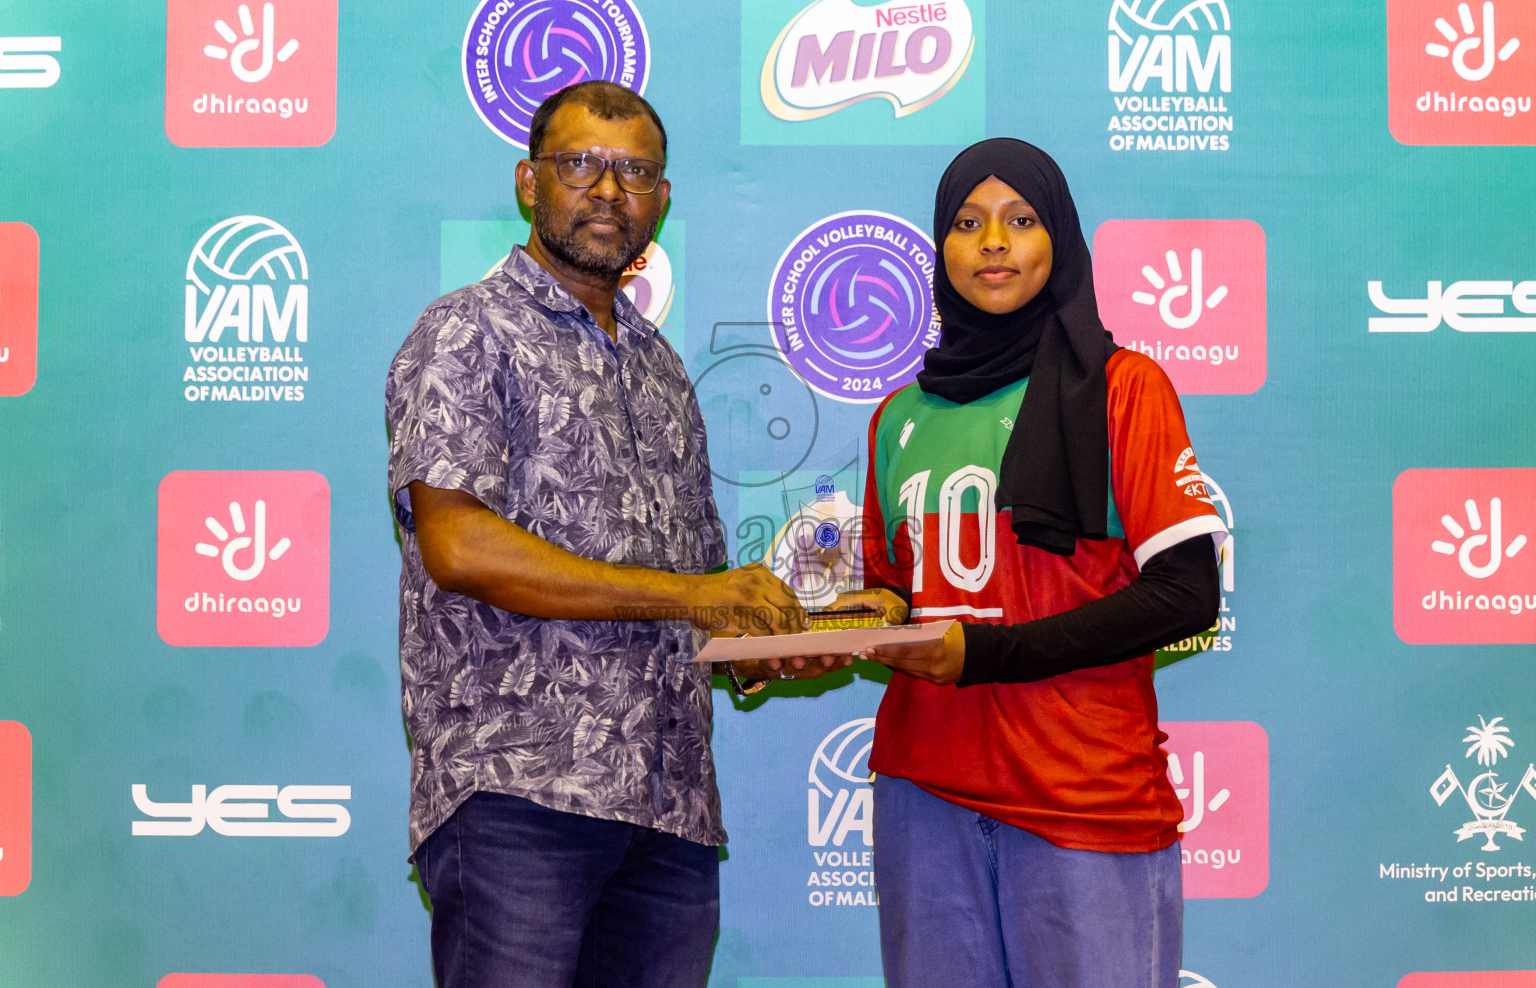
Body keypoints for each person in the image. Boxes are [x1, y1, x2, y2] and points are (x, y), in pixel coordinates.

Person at [385, 80, 804, 988]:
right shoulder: (464, 332)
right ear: (530, 183)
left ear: (662, 198)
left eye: (636, 171)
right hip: (518, 796)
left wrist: (767, 637)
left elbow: (697, 590)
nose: (608, 190)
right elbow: (458, 547)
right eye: (580, 164)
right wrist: (696, 596)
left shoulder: (661, 369)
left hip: (670, 811)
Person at [832, 138, 1227, 988]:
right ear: (941, 247)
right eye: (968, 223)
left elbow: (1188, 596)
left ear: (1062, 241)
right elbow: (890, 597)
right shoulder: (898, 415)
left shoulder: (1123, 389)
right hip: (923, 791)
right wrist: (831, 629)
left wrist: (990, 654)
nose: (994, 243)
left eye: (1021, 220)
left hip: (1081, 795)